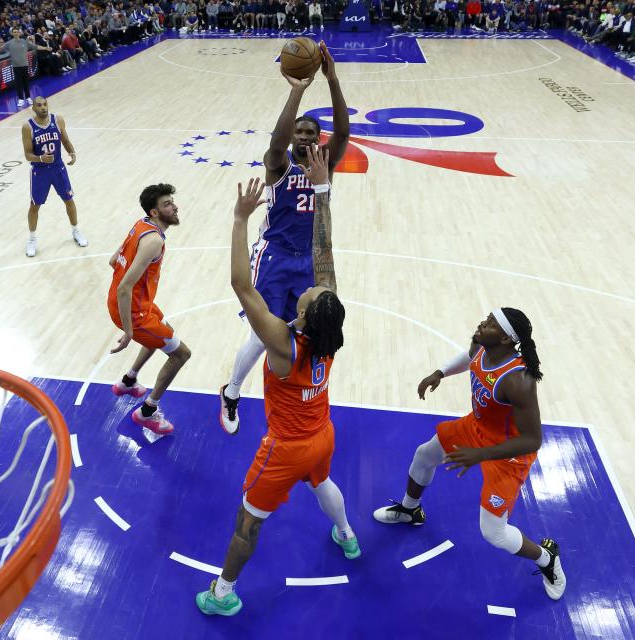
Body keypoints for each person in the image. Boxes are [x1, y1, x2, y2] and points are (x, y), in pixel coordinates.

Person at [196, 148, 358, 617]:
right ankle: (346, 536)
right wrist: (322, 191)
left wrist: (240, 219)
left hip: (285, 448)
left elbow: (242, 287)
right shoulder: (329, 334)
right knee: (323, 482)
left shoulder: (285, 345)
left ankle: (222, 594)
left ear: (302, 315)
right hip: (322, 433)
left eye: (305, 296)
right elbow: (323, 253)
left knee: (248, 522)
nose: (307, 288)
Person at [372, 308, 567, 601]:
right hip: (475, 428)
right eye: (486, 318)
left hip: (508, 454)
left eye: (490, 323)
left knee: (493, 533)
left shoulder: (519, 381)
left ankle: (546, 558)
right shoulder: (482, 345)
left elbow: (532, 440)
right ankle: (411, 510)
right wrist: (440, 373)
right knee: (424, 455)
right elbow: (470, 358)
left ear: (504, 337)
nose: (482, 323)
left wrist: (481, 455)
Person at [218, 41, 348, 435]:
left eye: (312, 132)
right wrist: (298, 90)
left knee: (301, 329)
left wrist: (333, 80)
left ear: (319, 138)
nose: (305, 137)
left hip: (310, 259)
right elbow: (275, 143)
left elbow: (343, 130)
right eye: (300, 131)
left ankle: (288, 388)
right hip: (274, 256)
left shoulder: (325, 163)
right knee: (265, 333)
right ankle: (232, 391)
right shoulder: (281, 164)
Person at [106, 184, 192, 436]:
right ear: (154, 212)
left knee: (165, 332)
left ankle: (129, 381)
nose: (175, 206)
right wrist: (130, 332)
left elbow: (114, 261)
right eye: (167, 204)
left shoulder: (141, 224)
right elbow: (125, 288)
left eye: (173, 201)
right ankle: (147, 412)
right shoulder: (153, 241)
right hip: (133, 310)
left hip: (133, 303)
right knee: (181, 354)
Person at [21, 96, 88, 258]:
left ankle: (76, 231)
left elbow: (65, 139)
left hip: (58, 168)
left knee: (69, 200)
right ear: (34, 108)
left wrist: (71, 152)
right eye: (39, 105)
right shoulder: (27, 127)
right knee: (35, 205)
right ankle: (32, 239)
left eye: (45, 104)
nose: (43, 107)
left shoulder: (58, 120)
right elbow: (27, 155)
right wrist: (41, 158)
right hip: (40, 171)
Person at [0, 26, 52, 108]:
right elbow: (0, 50)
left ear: (19, 33)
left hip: (24, 65)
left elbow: (35, 47)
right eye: (14, 32)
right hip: (15, 66)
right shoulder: (9, 43)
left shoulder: (24, 42)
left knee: (26, 82)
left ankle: (28, 97)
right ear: (12, 33)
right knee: (18, 83)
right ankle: (21, 99)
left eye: (16, 32)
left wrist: (46, 48)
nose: (15, 33)